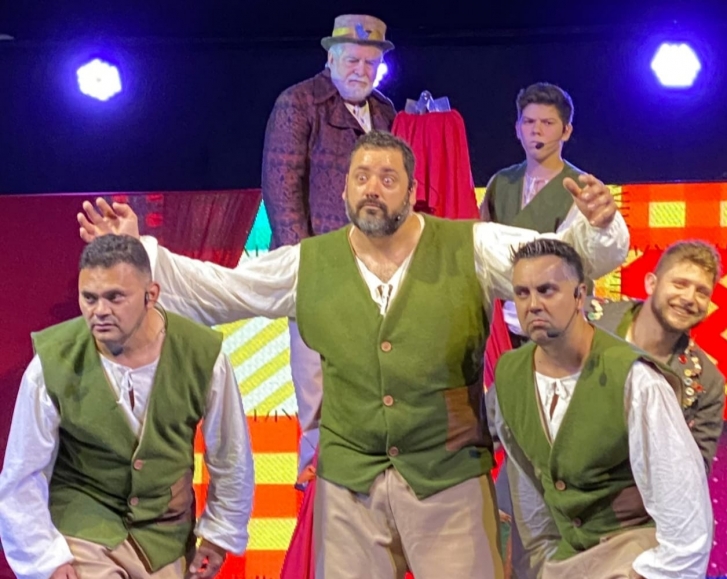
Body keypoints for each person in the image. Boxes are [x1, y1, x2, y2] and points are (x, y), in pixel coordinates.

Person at [78, 130, 629, 579]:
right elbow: (223, 289)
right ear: (344, 189)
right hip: (349, 486)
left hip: (449, 476)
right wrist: (136, 251)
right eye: (361, 177)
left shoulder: (471, 246)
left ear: (411, 191)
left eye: (388, 179)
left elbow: (556, 265)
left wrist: (598, 226)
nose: (372, 188)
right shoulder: (308, 262)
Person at [0, 234, 254, 579]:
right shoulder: (53, 361)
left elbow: (231, 454)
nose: (99, 311)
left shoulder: (202, 355)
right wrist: (45, 560)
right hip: (83, 528)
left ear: (151, 295)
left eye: (115, 297)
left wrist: (218, 535)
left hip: (163, 536)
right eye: (89, 298)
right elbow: (22, 473)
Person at [487, 238, 713, 579]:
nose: (533, 305)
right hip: (562, 556)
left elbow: (684, 508)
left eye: (547, 291)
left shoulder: (637, 381)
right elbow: (527, 485)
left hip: (631, 553)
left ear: (580, 295)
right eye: (522, 293)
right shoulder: (510, 373)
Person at [261, 14, 397, 477]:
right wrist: (304, 261)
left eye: (370, 62)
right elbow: (282, 186)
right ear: (331, 58)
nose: (361, 70)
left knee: (371, 370)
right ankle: (315, 476)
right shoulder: (299, 103)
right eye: (353, 60)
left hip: (373, 265)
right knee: (314, 375)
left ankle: (371, 468)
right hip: (317, 261)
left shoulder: (385, 111)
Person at [588, 240, 726, 473]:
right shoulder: (586, 319)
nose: (689, 298)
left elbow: (694, 474)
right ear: (651, 284)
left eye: (702, 292)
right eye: (680, 284)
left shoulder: (708, 383)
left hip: (632, 491)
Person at [480, 82, 590, 345]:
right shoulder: (501, 182)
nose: (536, 130)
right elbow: (481, 243)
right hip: (503, 325)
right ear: (517, 129)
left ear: (566, 131)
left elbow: (586, 257)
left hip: (558, 323)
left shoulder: (581, 186)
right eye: (528, 122)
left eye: (547, 123)